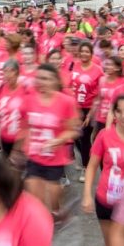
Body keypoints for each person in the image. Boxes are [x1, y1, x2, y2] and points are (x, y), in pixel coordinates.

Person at [20, 64, 80, 216]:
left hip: (55, 158)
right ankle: (41, 224)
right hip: (34, 156)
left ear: (54, 81)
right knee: (34, 196)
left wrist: (58, 140)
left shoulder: (66, 101)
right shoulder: (28, 100)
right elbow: (24, 125)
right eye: (39, 78)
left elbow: (73, 131)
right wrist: (22, 145)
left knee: (53, 196)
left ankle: (56, 211)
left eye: (46, 79)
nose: (41, 82)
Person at [83, 94, 124, 246]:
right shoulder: (105, 135)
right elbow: (92, 165)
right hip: (106, 200)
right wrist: (86, 194)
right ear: (114, 113)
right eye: (120, 111)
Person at [70, 41, 104, 181]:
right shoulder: (74, 65)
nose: (84, 54)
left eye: (87, 52)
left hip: (89, 108)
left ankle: (86, 167)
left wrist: (90, 114)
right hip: (74, 107)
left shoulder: (98, 70)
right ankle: (86, 158)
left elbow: (99, 94)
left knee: (84, 139)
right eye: (82, 51)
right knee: (74, 136)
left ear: (91, 54)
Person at [0, 59, 26, 161]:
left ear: (17, 73)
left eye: (11, 71)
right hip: (4, 137)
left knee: (19, 168)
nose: (8, 75)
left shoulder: (25, 91)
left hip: (21, 140)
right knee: (7, 166)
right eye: (5, 71)